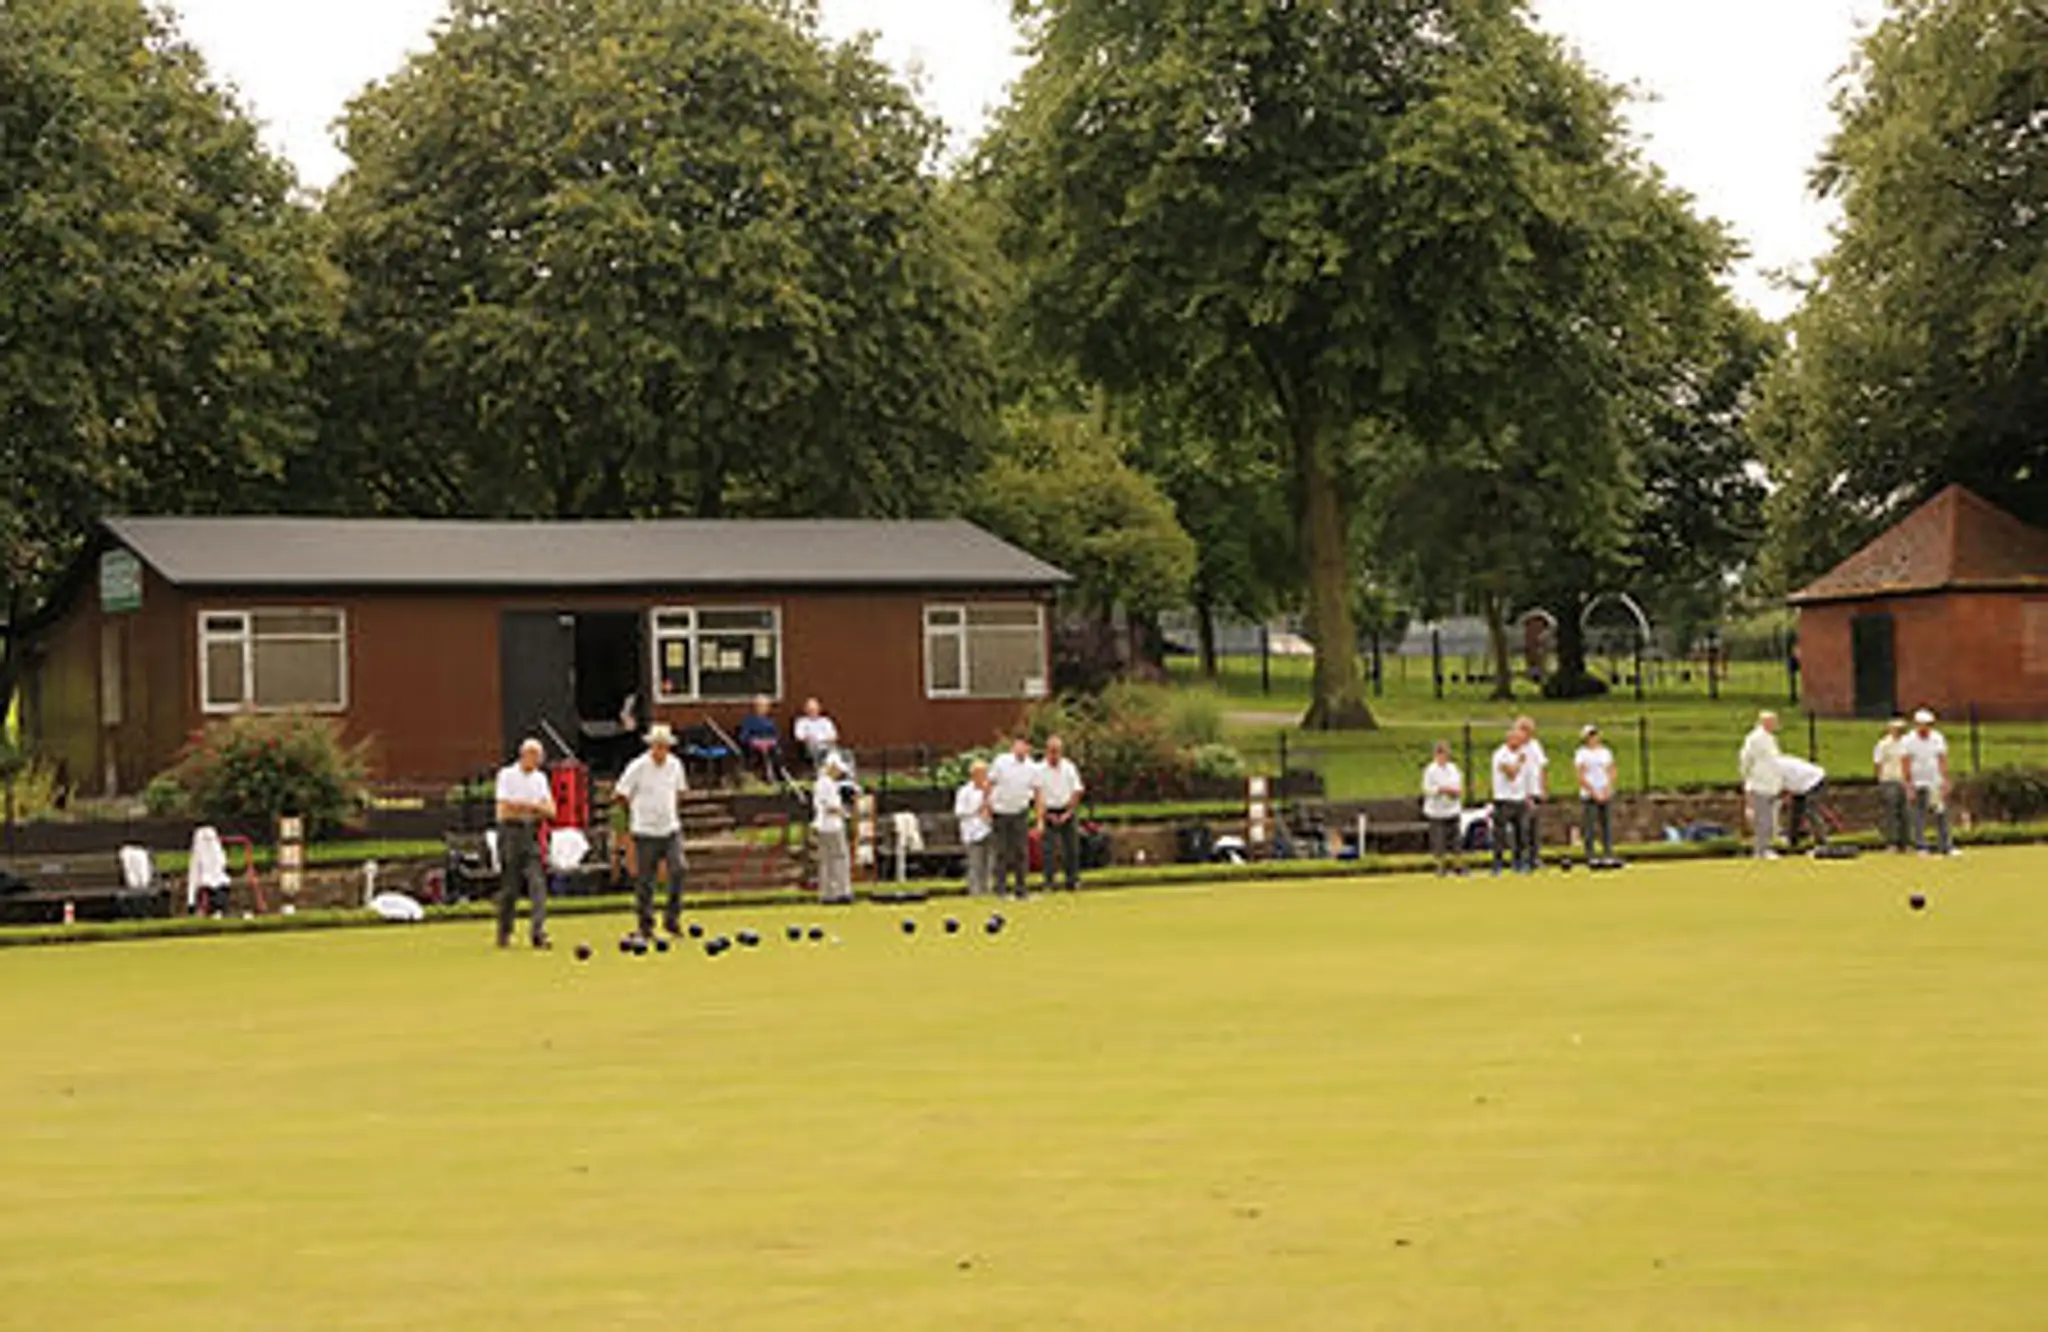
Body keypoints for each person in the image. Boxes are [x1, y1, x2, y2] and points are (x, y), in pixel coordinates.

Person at [613, 723, 688, 940]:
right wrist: (634, 815)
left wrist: (670, 811)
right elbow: (620, 794)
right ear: (651, 746)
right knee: (646, 879)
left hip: (670, 828)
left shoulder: (675, 765)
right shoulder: (638, 766)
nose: (661, 750)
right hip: (644, 831)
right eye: (657, 746)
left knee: (679, 869)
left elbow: (680, 792)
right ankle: (645, 925)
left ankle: (672, 919)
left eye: (664, 746)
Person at [494, 738, 556, 949]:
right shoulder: (506, 775)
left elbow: (551, 811)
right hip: (510, 834)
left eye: (540, 757)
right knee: (510, 887)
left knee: (538, 884)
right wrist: (535, 807)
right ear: (524, 754)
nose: (538, 760)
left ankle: (538, 932)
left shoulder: (540, 779)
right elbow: (504, 811)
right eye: (535, 756)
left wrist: (523, 807)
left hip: (532, 833)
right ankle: (504, 931)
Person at [988, 735, 1041, 899]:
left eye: (1025, 746)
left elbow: (1038, 793)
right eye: (1019, 745)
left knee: (1021, 852)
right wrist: (986, 806)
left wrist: (1039, 818)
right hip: (1000, 812)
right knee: (1001, 852)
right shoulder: (1001, 762)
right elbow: (989, 784)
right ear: (1013, 747)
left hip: (1020, 812)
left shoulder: (1033, 768)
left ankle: (1021, 889)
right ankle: (1000, 889)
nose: (1021, 749)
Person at [1037, 734, 1087, 892]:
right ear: (1046, 751)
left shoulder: (1069, 767)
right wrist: (1046, 814)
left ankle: (1073, 880)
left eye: (1057, 751)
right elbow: (1037, 794)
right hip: (1048, 810)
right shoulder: (1038, 770)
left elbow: (1077, 790)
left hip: (1067, 809)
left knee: (1071, 848)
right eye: (1052, 751)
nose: (1054, 755)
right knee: (1048, 850)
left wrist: (1069, 812)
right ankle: (1048, 882)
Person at [1902, 708, 1954, 856]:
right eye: (1922, 724)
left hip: (1935, 781)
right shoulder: (1908, 740)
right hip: (1917, 782)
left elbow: (1942, 759)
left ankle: (1946, 846)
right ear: (1916, 724)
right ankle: (1921, 846)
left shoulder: (1938, 738)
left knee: (1941, 813)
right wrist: (1908, 785)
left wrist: (1945, 780)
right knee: (1918, 814)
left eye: (1928, 724)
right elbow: (1905, 763)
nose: (1925, 728)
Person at [1738, 711, 1785, 859]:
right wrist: (1747, 778)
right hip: (1759, 784)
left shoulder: (1771, 739)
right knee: (1763, 819)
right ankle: (1761, 850)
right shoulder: (1755, 738)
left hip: (1771, 784)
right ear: (1765, 722)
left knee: (1770, 819)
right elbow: (1745, 759)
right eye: (1773, 721)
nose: (1776, 724)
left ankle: (1765, 848)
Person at [1490, 726, 1534, 876]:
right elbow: (1511, 774)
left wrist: (1528, 796)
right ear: (1509, 739)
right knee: (1500, 835)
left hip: (1519, 799)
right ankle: (1497, 865)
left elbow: (1525, 777)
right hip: (1503, 799)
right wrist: (1519, 762)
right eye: (1518, 740)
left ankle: (1519, 863)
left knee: (1522, 834)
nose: (1521, 743)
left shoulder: (1522, 754)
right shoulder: (1500, 755)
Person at [813, 754, 855, 903]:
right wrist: (845, 813)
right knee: (839, 858)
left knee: (828, 861)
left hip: (825, 826)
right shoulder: (826, 784)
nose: (839, 773)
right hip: (832, 826)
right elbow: (830, 807)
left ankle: (829, 893)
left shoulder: (825, 783)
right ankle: (841, 892)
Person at [1574, 724, 1618, 863]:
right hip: (1589, 794)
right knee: (1590, 825)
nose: (1593, 738)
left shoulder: (1606, 752)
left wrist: (1607, 788)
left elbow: (1612, 770)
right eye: (1590, 736)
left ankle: (1608, 853)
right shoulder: (1581, 753)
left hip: (1605, 792)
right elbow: (1580, 775)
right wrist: (1593, 792)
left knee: (1607, 825)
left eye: (1595, 735)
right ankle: (1590, 855)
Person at [1421, 742, 1465, 877]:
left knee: (1456, 840)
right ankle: (1440, 867)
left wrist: (1455, 791)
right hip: (1436, 812)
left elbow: (1458, 786)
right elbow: (1427, 789)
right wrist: (1441, 790)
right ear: (1436, 755)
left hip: (1453, 809)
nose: (1443, 757)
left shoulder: (1453, 768)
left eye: (1445, 754)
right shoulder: (1430, 770)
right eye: (1440, 754)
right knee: (1438, 841)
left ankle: (1458, 866)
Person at [954, 759, 996, 897]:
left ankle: (987, 890)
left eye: (984, 773)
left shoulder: (991, 790)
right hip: (973, 831)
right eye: (979, 773)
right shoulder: (964, 791)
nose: (983, 776)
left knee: (990, 863)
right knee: (975, 863)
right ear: (973, 775)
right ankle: (975, 891)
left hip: (990, 829)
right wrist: (977, 809)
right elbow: (959, 812)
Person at [1873, 718, 1911, 852]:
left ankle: (1906, 842)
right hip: (1889, 780)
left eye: (1900, 729)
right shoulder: (1883, 744)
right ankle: (1892, 843)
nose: (1898, 731)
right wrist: (1880, 780)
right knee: (1891, 812)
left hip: (1905, 781)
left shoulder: (1908, 743)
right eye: (1895, 729)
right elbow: (1878, 763)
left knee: (1906, 813)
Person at [1778, 753, 1829, 849]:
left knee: (1809, 810)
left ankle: (1822, 841)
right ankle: (1792, 841)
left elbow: (1780, 789)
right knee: (1795, 812)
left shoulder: (1775, 767)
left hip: (1815, 780)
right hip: (1800, 785)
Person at [1517, 715, 1549, 863]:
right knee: (1522, 827)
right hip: (1520, 793)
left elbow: (1542, 767)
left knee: (1535, 827)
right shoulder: (1515, 748)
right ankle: (1522, 857)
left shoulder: (1536, 745)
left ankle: (1534, 856)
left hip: (1535, 791)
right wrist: (1524, 793)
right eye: (1525, 730)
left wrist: (1543, 788)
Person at [734, 695, 783, 782]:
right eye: (760, 706)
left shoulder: (770, 721)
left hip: (769, 745)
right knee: (763, 753)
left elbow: (776, 735)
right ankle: (766, 776)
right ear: (755, 707)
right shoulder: (749, 721)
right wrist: (754, 741)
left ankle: (779, 775)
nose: (763, 708)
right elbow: (743, 737)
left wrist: (773, 741)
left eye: (765, 706)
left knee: (777, 753)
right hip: (754, 747)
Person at [793, 698, 839, 770]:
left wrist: (825, 740)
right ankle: (830, 773)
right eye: (810, 709)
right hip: (811, 748)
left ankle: (835, 773)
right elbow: (798, 736)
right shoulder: (801, 722)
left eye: (814, 709)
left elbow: (834, 736)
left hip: (827, 747)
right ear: (805, 710)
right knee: (821, 753)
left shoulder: (826, 721)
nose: (812, 711)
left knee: (837, 754)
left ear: (819, 709)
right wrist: (808, 739)